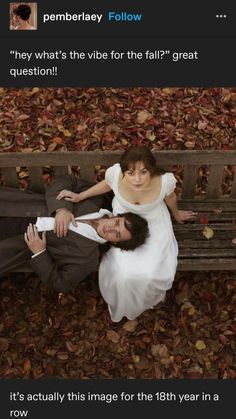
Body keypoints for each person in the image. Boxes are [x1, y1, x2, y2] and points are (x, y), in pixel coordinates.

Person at [56, 147, 197, 322]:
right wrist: (80, 196)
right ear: (124, 172)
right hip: (122, 223)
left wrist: (176, 214)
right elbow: (107, 184)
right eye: (130, 173)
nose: (137, 179)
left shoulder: (164, 182)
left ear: (151, 170)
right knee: (124, 272)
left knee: (152, 273)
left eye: (143, 172)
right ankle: (124, 303)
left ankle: (145, 300)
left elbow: (171, 199)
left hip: (154, 222)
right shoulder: (115, 174)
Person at [0, 175, 149, 293]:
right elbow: (65, 180)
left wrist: (40, 253)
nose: (110, 229)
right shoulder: (94, 199)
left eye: (116, 235)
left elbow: (62, 284)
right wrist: (62, 209)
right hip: (15, 205)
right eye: (117, 223)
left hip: (13, 243)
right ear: (116, 216)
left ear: (115, 242)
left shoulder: (87, 259)